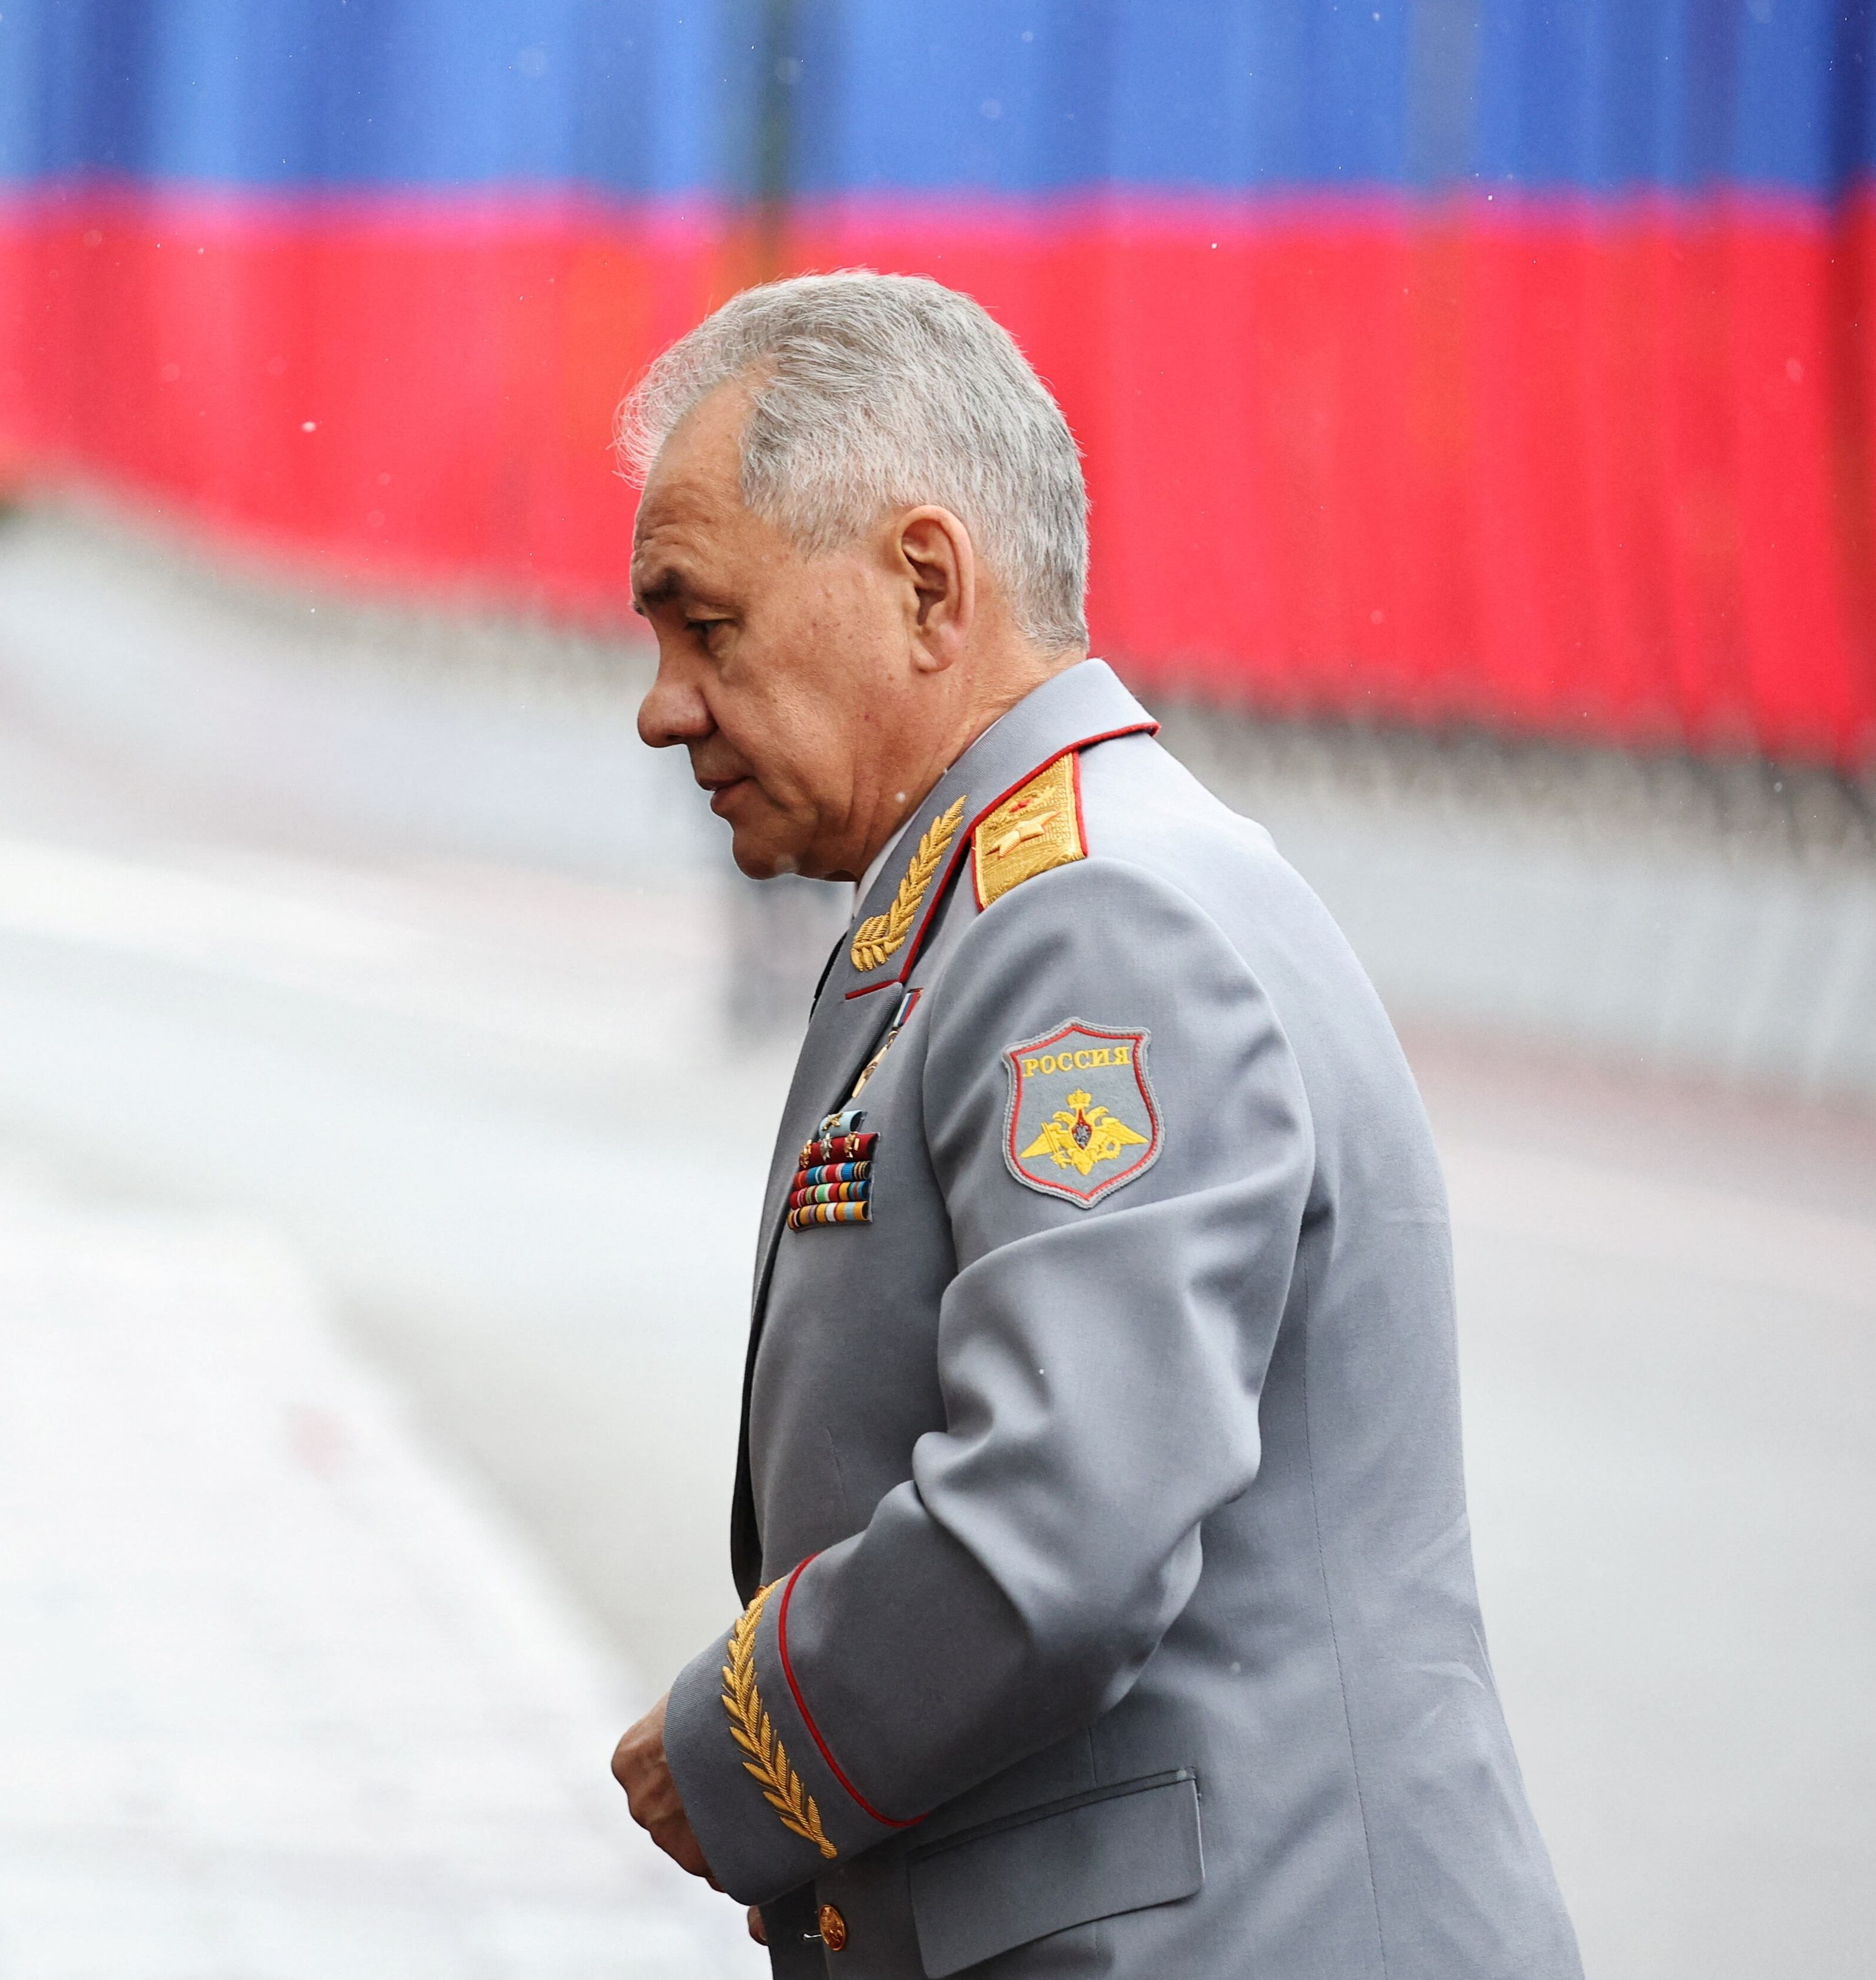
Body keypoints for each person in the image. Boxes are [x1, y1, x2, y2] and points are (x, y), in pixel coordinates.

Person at [605, 275, 1581, 1977]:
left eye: (707, 624)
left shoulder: (1092, 921)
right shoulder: (1005, 893)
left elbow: (1063, 1518)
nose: (664, 703)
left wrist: (739, 1739)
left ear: (925, 585)